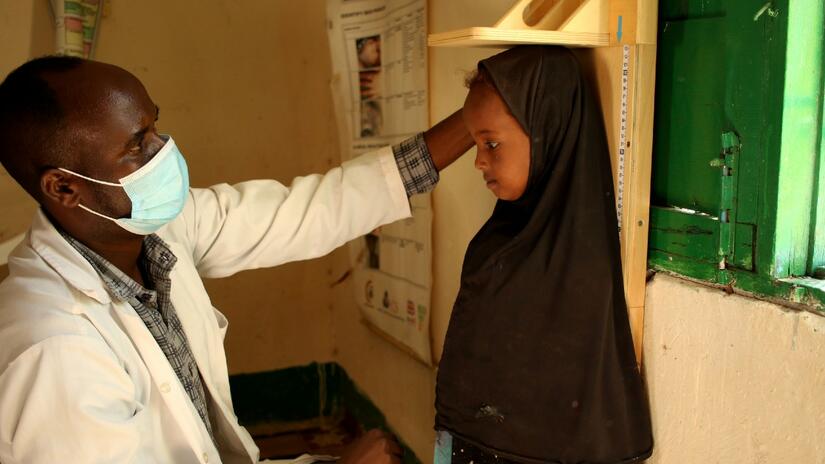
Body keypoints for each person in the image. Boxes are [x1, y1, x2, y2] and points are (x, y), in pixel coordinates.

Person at [0, 56, 472, 464]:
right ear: (64, 187)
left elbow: (303, 215)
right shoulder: (52, 349)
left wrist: (470, 124)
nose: (163, 153)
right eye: (136, 146)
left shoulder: (149, 234)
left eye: (156, 127)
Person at [433, 46, 653, 464]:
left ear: (547, 130)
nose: (479, 161)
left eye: (492, 143)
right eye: (477, 144)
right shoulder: (499, 240)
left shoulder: (580, 267)